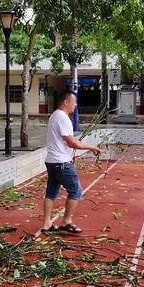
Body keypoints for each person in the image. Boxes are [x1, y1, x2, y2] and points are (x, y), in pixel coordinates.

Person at [42, 90, 101, 233]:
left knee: (51, 192)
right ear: (66, 102)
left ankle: (47, 224)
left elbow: (67, 140)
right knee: (76, 190)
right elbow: (70, 142)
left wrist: (72, 151)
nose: (75, 105)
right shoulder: (62, 117)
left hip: (53, 160)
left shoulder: (55, 116)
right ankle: (67, 221)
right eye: (74, 102)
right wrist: (90, 147)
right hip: (61, 162)